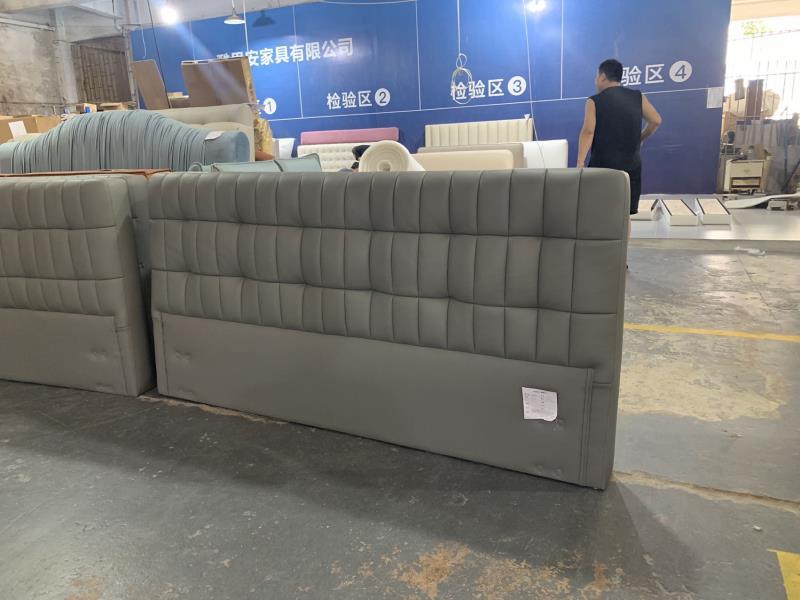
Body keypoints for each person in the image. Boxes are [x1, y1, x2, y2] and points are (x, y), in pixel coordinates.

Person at [577, 59, 662, 225]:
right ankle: (622, 242)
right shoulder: (638, 97)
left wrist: (580, 162)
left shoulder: (594, 101)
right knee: (624, 216)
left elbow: (588, 132)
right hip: (631, 166)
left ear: (602, 77)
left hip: (603, 167)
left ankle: (602, 241)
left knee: (599, 212)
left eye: (596, 77)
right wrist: (640, 138)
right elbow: (656, 120)